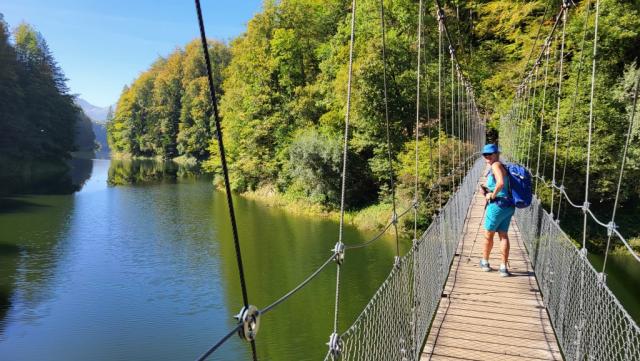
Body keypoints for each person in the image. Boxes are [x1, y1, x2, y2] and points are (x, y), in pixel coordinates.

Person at [479, 144, 515, 277]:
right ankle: (503, 268)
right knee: (503, 235)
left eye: (490, 154)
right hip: (508, 206)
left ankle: (485, 262)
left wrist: (491, 195)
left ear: (496, 154)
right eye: (485, 155)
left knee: (488, 234)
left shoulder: (495, 165)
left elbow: (500, 183)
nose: (487, 157)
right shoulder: (502, 165)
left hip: (497, 205)